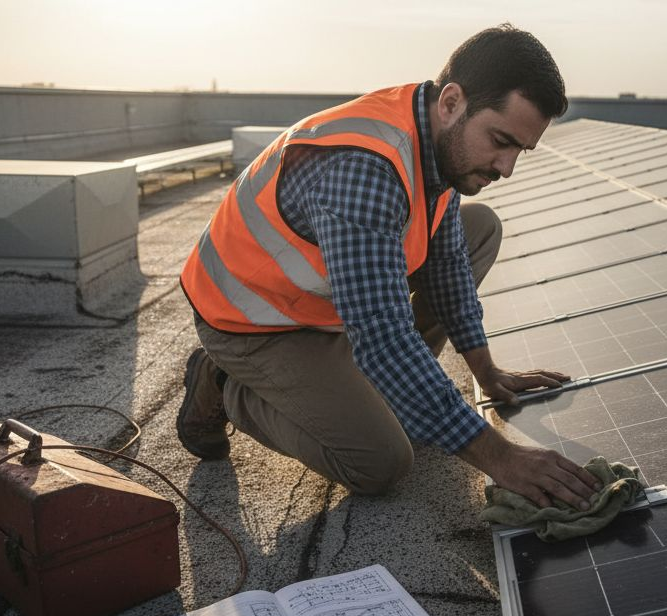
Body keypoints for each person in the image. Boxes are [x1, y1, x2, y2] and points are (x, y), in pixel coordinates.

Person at [176, 24, 601, 510]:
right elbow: (381, 335)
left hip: (329, 307)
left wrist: (486, 371)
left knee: (479, 227)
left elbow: (447, 265)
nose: (506, 167)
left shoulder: (438, 137)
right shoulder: (364, 167)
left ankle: (395, 396)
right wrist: (500, 457)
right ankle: (224, 383)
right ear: (452, 102)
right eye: (501, 141)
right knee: (380, 463)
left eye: (519, 151)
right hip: (255, 322)